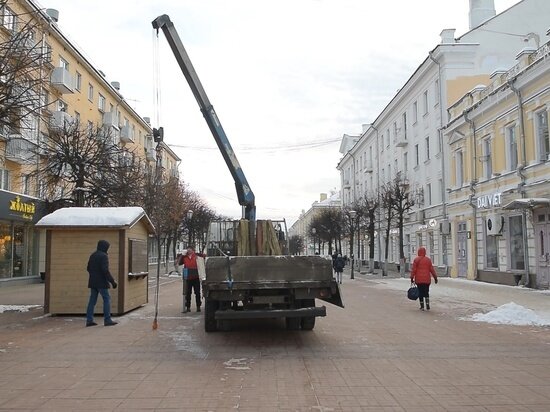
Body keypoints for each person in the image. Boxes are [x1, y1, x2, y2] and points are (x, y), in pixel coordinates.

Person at [86, 240, 118, 326]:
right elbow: (105, 270)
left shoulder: (93, 255)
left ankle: (89, 320)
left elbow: (88, 268)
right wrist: (112, 281)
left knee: (92, 301)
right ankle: (107, 320)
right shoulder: (103, 256)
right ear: (105, 247)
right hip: (101, 282)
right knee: (106, 299)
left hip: (93, 282)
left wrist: (94, 275)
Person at [410, 246, 438, 311]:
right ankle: (427, 304)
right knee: (426, 292)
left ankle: (422, 306)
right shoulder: (428, 260)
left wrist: (411, 278)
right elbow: (432, 270)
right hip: (427, 280)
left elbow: (413, 270)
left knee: (420, 292)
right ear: (425, 252)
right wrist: (435, 278)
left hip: (419, 280)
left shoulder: (416, 260)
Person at [179, 247, 205, 313]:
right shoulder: (185, 257)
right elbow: (180, 263)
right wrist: (182, 255)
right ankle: (188, 307)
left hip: (196, 277)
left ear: (193, 250)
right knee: (188, 293)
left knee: (197, 293)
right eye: (188, 250)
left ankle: (198, 306)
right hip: (188, 278)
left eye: (190, 250)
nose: (189, 251)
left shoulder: (196, 256)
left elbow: (203, 257)